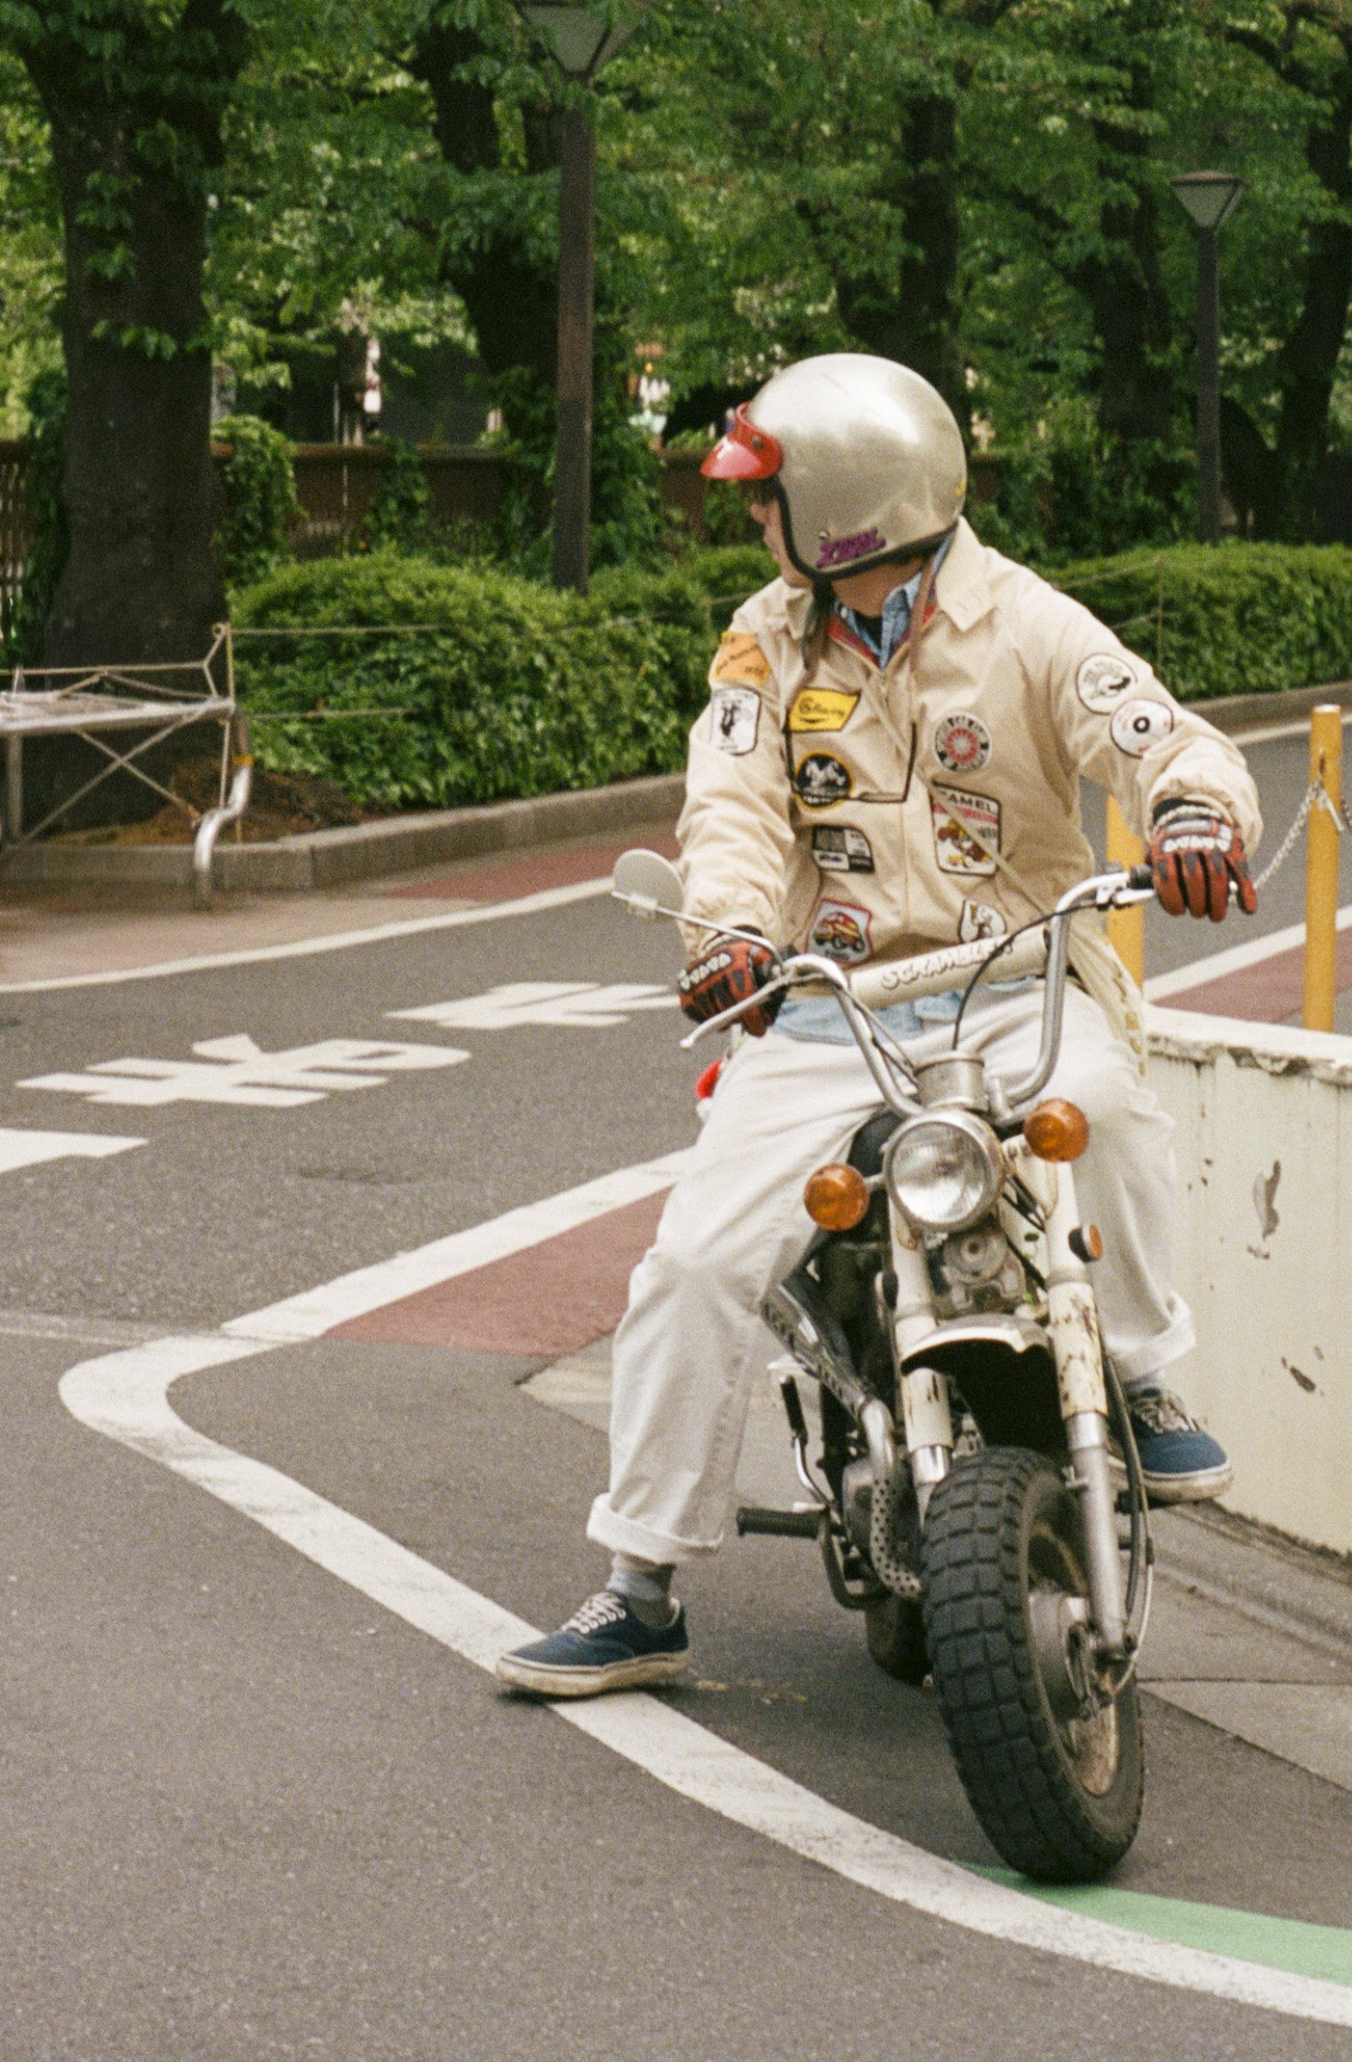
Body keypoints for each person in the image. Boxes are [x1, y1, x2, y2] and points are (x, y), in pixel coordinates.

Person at [498, 353, 1262, 1698]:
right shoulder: (765, 640)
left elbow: (1156, 733)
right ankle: (640, 1585)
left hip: (1013, 983)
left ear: (841, 510)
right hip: (825, 1009)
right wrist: (726, 933)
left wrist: (1194, 811)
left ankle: (1138, 1378)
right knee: (692, 1264)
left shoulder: (1026, 622)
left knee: (1110, 1112)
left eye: (768, 495)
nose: (753, 517)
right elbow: (731, 805)